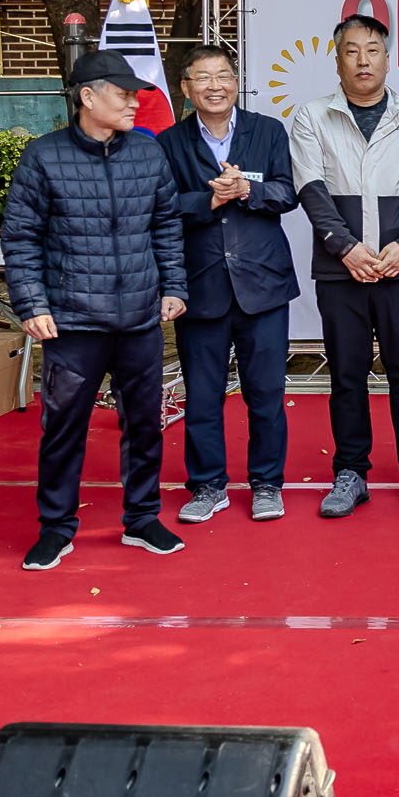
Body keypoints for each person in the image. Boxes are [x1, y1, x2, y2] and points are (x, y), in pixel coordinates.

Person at [4, 49, 188, 571]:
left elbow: (166, 226)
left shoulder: (148, 154)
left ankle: (142, 518)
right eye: (122, 93)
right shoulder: (44, 156)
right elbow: (21, 237)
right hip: (71, 320)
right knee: (64, 428)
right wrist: (32, 303)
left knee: (145, 425)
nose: (134, 103)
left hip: (138, 319)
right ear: (87, 97)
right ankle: (56, 528)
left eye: (135, 94)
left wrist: (174, 285)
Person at [289, 13, 399, 519]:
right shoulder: (313, 116)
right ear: (337, 58)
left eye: (372, 50)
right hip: (341, 270)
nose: (362, 60)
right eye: (351, 50)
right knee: (347, 375)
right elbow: (310, 188)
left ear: (388, 57)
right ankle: (351, 470)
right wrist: (345, 247)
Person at [157, 44, 299, 525]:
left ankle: (266, 483)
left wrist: (248, 190)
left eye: (222, 75)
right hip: (199, 285)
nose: (214, 85)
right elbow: (161, 207)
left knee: (265, 395)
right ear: (186, 88)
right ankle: (207, 485)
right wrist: (208, 201)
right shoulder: (168, 143)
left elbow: (287, 193)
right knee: (202, 396)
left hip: (262, 285)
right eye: (202, 77)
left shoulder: (268, 130)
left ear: (237, 82)